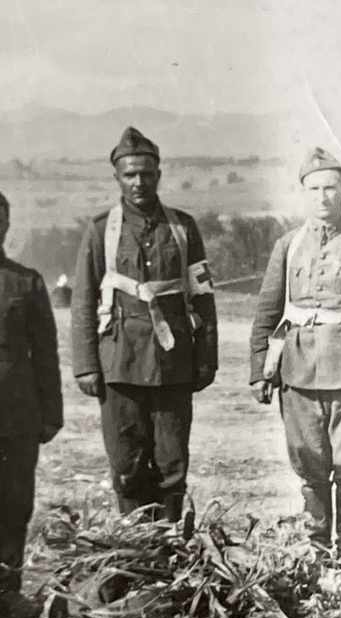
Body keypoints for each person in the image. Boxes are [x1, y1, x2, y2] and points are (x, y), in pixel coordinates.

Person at [250, 147, 341, 573]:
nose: (322, 197)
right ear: (302, 193)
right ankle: (316, 547)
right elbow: (267, 309)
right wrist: (259, 368)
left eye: (330, 188)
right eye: (314, 189)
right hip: (298, 370)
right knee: (308, 461)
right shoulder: (287, 246)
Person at [71, 127, 218, 522]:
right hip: (120, 362)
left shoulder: (183, 227)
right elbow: (84, 299)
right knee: (127, 463)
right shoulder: (102, 230)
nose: (139, 182)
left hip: (173, 363)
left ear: (159, 175)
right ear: (117, 178)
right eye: (130, 174)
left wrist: (206, 359)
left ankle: (169, 545)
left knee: (172, 462)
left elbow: (202, 294)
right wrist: (86, 365)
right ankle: (136, 541)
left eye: (147, 174)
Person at [0, 192, 63, 618]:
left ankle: (7, 591)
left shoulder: (27, 282)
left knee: (15, 502)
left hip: (15, 414)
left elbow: (46, 353)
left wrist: (51, 412)